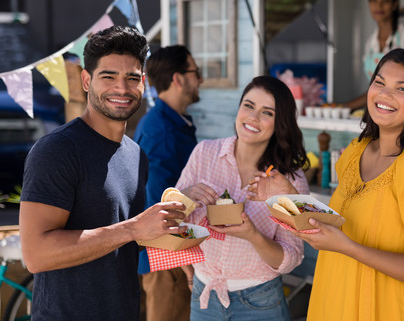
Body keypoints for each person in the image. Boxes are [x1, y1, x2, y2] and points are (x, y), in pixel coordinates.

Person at [19, 26, 190, 321]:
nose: (121, 89)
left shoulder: (136, 155)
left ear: (143, 83)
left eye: (132, 78)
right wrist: (133, 228)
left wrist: (180, 241)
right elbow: (36, 255)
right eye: (108, 76)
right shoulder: (57, 150)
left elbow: (122, 243)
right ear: (86, 81)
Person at [294, 49, 404, 320]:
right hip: (334, 301)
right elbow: (341, 223)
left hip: (388, 310)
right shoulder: (356, 151)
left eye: (402, 88)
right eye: (380, 82)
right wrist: (284, 195)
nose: (385, 94)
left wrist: (347, 247)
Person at [175, 76, 310, 320]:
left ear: (280, 123)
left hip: (260, 304)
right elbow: (172, 225)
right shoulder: (204, 153)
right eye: (248, 105)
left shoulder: (290, 181)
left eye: (267, 112)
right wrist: (183, 198)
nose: (253, 117)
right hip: (204, 298)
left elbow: (291, 259)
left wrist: (253, 235)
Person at [135, 45, 203, 321]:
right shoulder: (161, 131)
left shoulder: (173, 121)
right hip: (169, 257)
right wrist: (185, 263)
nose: (200, 79)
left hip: (176, 251)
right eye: (195, 72)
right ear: (178, 79)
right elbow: (159, 206)